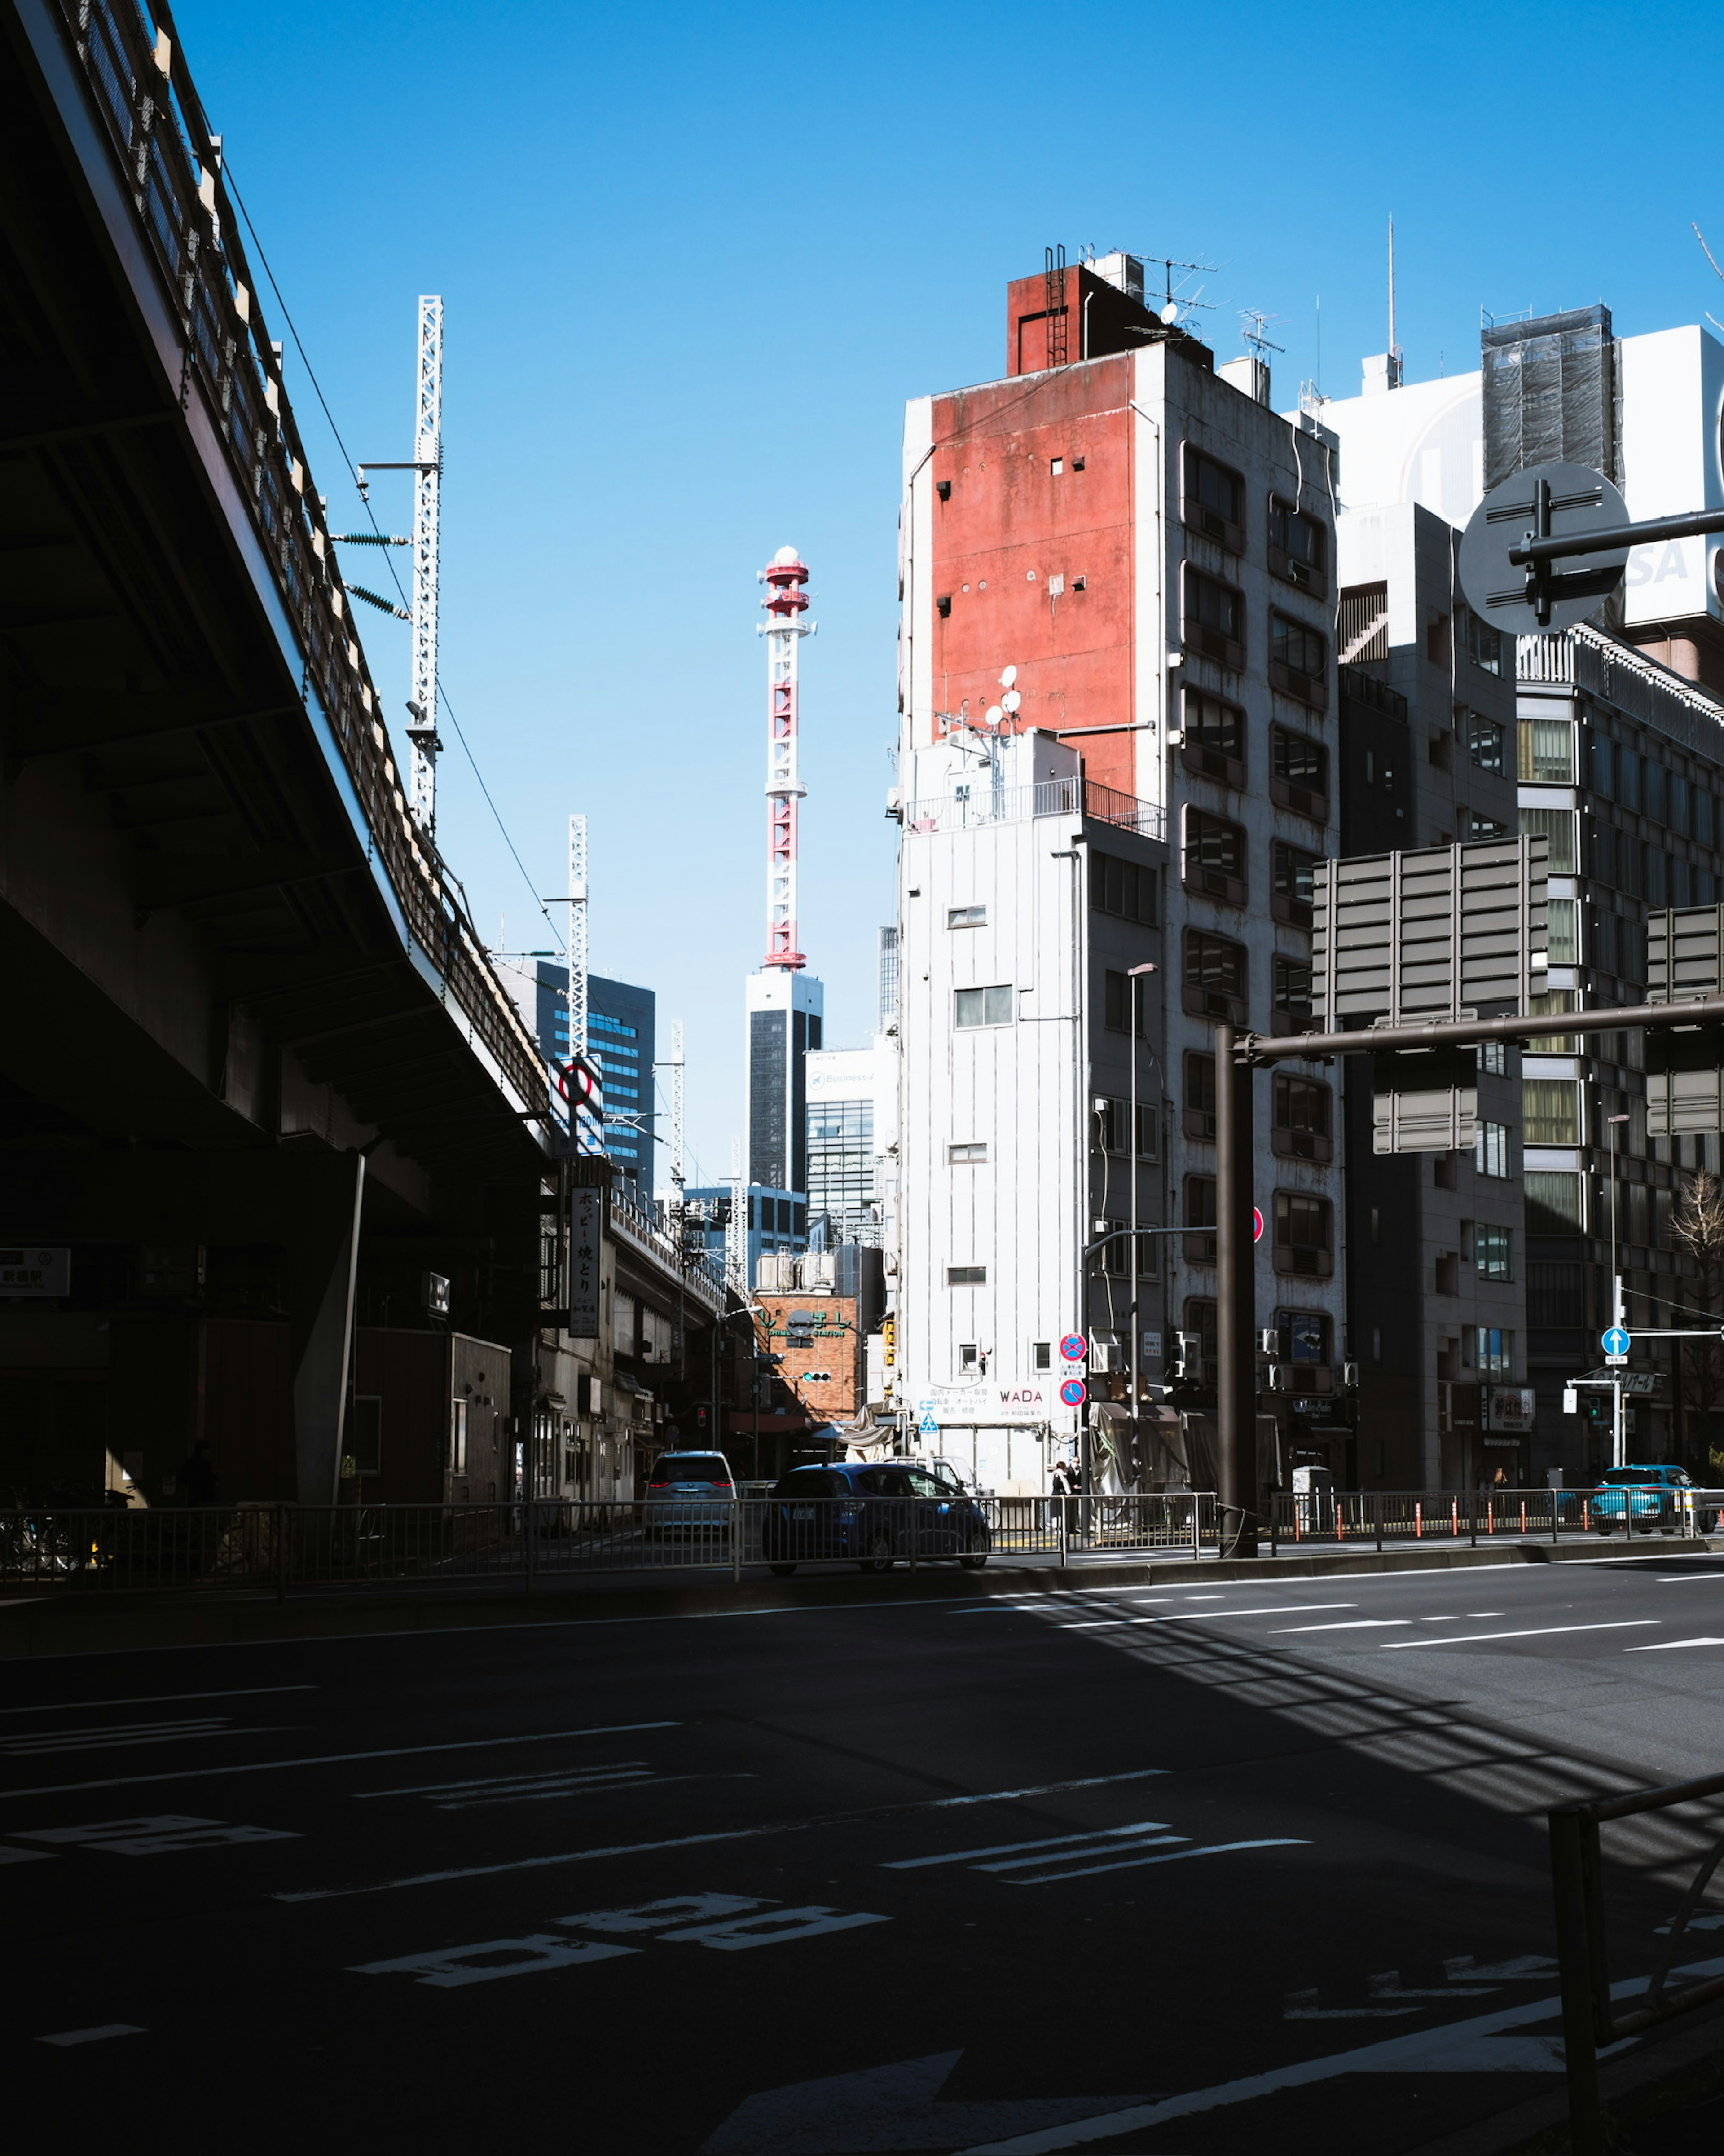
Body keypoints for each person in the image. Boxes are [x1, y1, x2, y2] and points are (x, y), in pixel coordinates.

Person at [178, 1440, 219, 1508]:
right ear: (203, 1451)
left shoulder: (189, 1463)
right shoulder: (205, 1464)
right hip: (204, 1497)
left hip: (193, 1497)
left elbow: (183, 1479)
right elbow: (208, 1480)